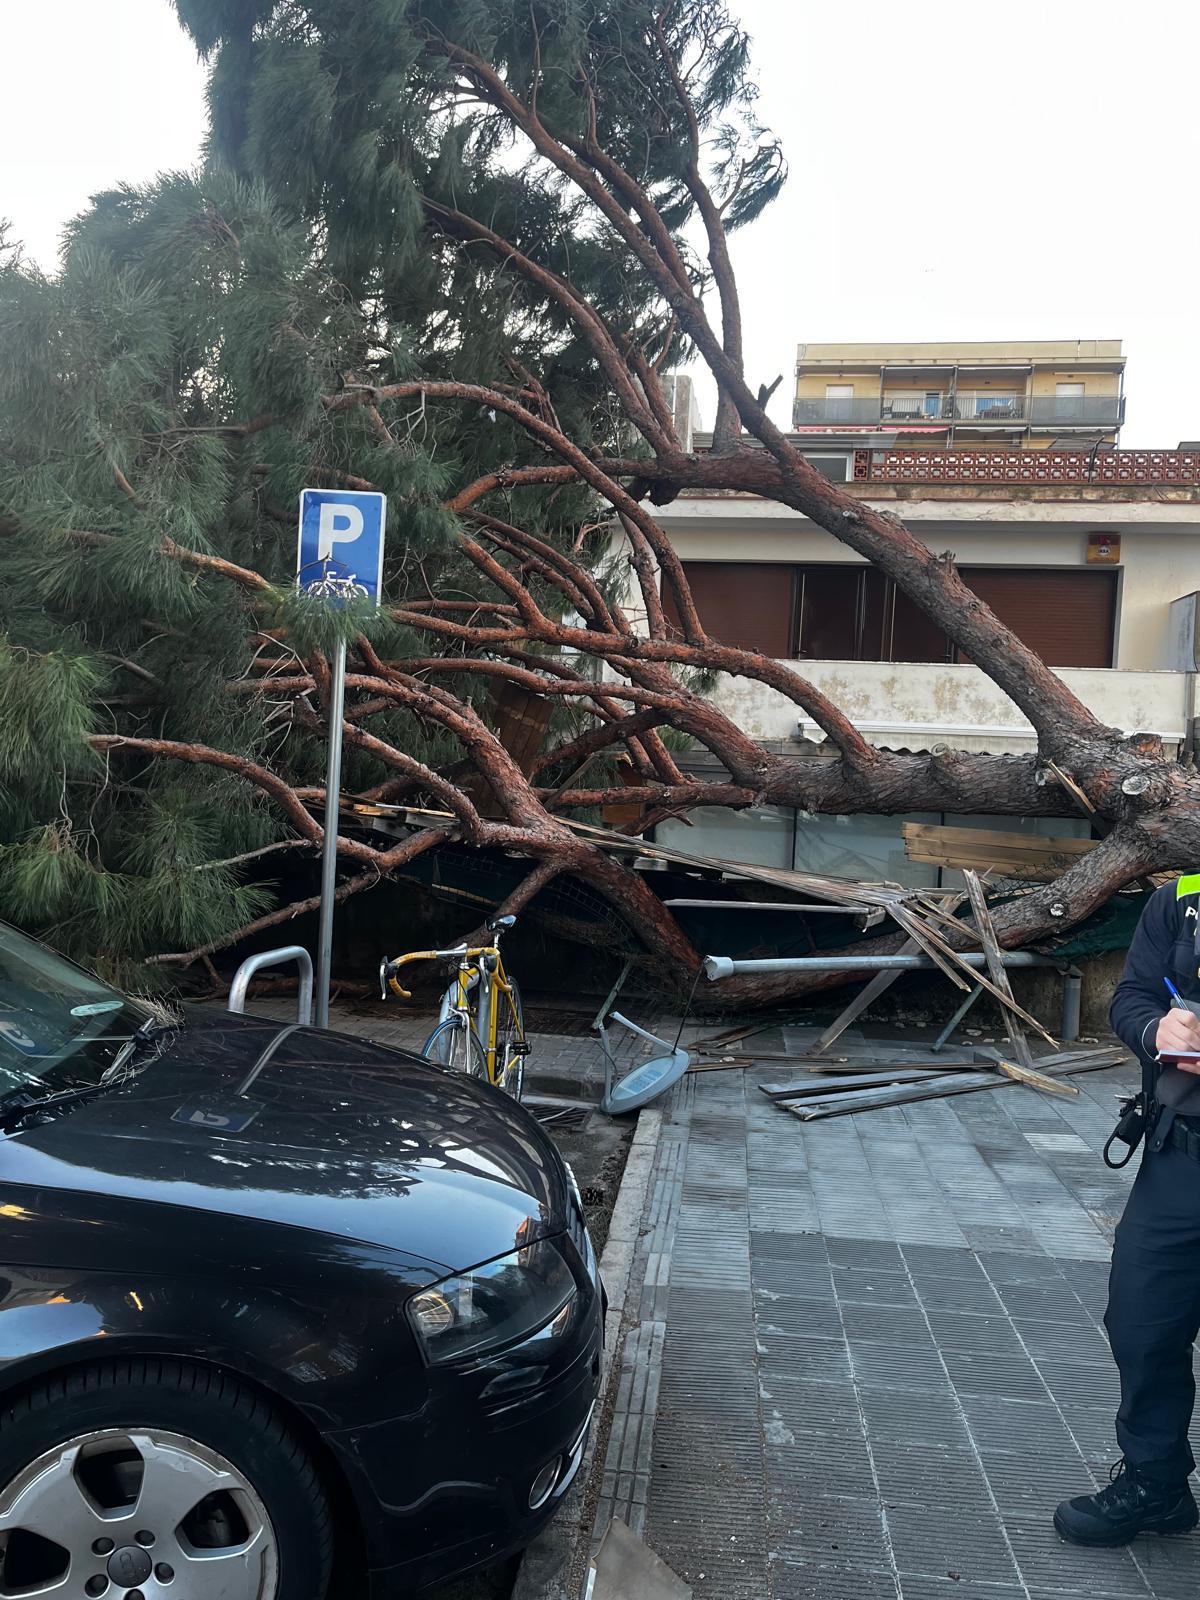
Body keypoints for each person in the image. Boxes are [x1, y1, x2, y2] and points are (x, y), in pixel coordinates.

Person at [1054, 874, 1200, 1546]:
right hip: (1182, 1157)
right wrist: (1156, 1031)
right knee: (1142, 1321)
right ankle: (1157, 1482)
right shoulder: (1182, 899)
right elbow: (1133, 997)